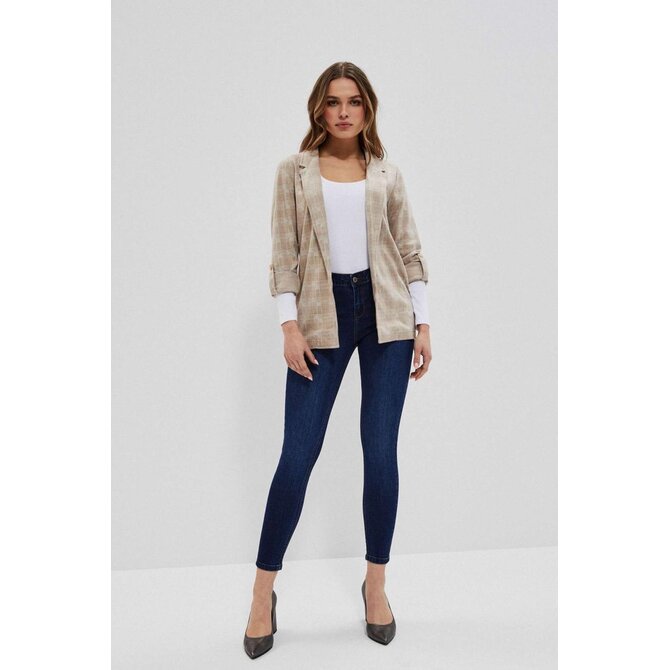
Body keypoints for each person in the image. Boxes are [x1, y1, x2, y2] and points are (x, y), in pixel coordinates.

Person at [244, 61, 432, 659]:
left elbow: (409, 249)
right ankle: (261, 594)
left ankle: (376, 585)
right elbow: (284, 254)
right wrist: (288, 324)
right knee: (296, 457)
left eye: (354, 101)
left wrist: (423, 322)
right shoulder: (294, 171)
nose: (344, 111)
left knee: (380, 452)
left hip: (387, 315)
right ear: (318, 109)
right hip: (321, 316)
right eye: (333, 101)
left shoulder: (386, 173)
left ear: (368, 108)